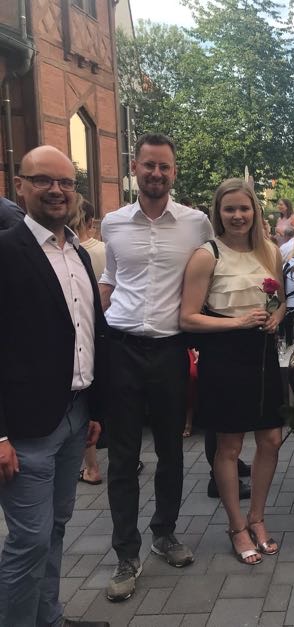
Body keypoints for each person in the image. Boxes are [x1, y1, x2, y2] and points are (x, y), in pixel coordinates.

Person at [99, 133, 213, 602]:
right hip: (121, 349)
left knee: (171, 450)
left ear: (174, 172)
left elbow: (211, 274)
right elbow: (111, 277)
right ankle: (126, 553)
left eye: (165, 167)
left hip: (169, 350)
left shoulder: (196, 224)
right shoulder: (112, 223)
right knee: (122, 456)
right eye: (149, 165)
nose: (156, 174)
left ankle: (164, 533)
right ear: (135, 167)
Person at [0, 146, 108, 627]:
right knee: (29, 541)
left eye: (66, 182)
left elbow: (88, 333)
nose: (57, 190)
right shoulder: (6, 252)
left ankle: (50, 618)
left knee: (56, 529)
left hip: (74, 415)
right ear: (20, 186)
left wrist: (94, 408)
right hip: (25, 429)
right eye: (43, 180)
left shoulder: (79, 253)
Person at [180, 178, 285, 565]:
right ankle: (236, 525)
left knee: (271, 439)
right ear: (218, 213)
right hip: (224, 355)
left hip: (263, 353)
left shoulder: (270, 251)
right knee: (230, 446)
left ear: (255, 210)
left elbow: (281, 301)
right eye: (230, 209)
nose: (238, 215)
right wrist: (237, 323)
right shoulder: (206, 255)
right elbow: (187, 318)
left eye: (244, 208)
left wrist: (276, 316)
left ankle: (257, 517)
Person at [69, 196, 108, 487]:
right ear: (90, 222)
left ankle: (92, 466)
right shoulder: (102, 250)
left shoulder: (78, 253)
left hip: (81, 337)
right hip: (105, 333)